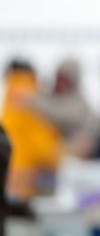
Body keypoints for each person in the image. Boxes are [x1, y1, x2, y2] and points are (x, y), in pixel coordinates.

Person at [2, 59, 61, 199]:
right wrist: (57, 158)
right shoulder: (31, 97)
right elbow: (42, 143)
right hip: (32, 175)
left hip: (10, 170)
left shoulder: (10, 95)